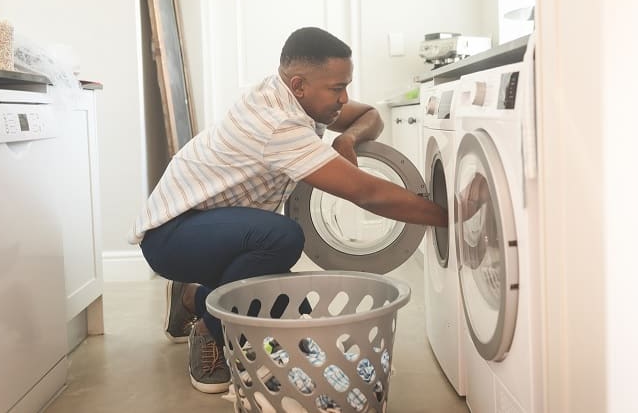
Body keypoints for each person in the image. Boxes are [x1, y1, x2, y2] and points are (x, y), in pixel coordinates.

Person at [129, 26, 447, 394]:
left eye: (346, 85)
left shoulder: (293, 96)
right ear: (298, 85)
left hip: (211, 226)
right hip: (171, 236)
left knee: (276, 285)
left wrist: (347, 138)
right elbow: (365, 192)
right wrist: (445, 216)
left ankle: (195, 297)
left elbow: (371, 115)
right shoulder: (277, 122)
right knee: (281, 238)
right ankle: (207, 313)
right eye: (336, 88)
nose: (344, 97)